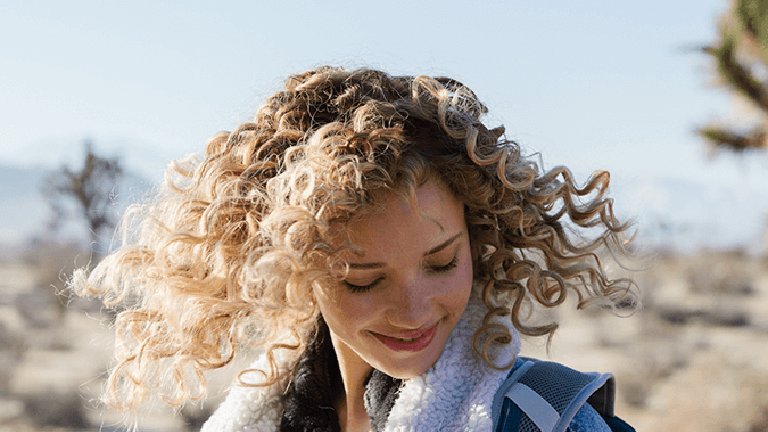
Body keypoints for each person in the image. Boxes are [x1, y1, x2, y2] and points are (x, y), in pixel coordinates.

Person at [71, 66, 638, 431]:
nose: (415, 311)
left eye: (442, 262)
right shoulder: (255, 421)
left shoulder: (541, 419)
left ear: (480, 237)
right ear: (293, 270)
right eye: (362, 280)